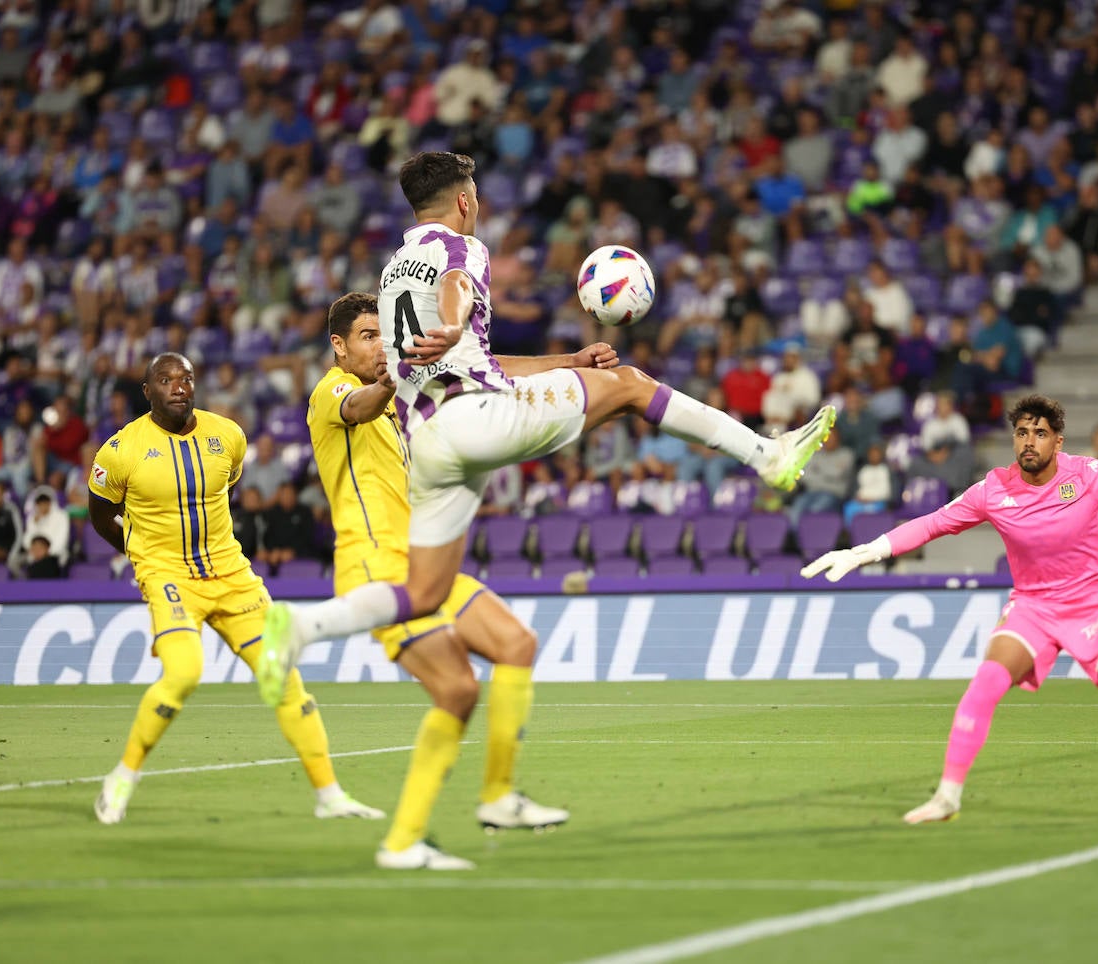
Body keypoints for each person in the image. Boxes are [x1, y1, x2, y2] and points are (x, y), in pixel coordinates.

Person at [258, 152, 836, 697]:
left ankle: (302, 627)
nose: (478, 206)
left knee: (424, 591)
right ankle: (768, 455)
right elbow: (457, 289)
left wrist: (566, 362)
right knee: (631, 384)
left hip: (427, 443)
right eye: (475, 196)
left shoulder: (390, 278)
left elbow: (471, 357)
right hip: (474, 417)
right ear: (463, 202)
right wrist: (458, 325)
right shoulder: (463, 246)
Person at [802, 394, 1098, 823]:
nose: (1029, 442)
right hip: (1033, 607)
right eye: (1022, 433)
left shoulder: (1090, 474)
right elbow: (932, 524)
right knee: (985, 685)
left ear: (1058, 441)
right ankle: (947, 797)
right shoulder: (993, 490)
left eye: (1040, 433)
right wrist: (864, 552)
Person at [308, 292, 569, 870]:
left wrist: (570, 362)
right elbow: (363, 405)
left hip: (425, 557)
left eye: (384, 334)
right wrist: (395, 376)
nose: (380, 346)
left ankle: (499, 796)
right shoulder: (333, 392)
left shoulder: (403, 389)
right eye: (368, 336)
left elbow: (491, 369)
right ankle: (402, 842)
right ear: (340, 346)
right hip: (376, 563)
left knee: (515, 645)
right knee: (456, 689)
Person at [87, 352, 382, 825]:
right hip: (169, 575)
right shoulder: (119, 451)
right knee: (183, 674)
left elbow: (224, 490)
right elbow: (101, 513)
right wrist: (139, 552)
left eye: (186, 378)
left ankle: (330, 795)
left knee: (283, 678)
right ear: (147, 391)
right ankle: (122, 777)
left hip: (231, 575)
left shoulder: (227, 435)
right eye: (165, 380)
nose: (179, 387)